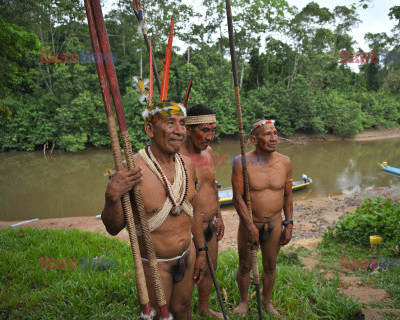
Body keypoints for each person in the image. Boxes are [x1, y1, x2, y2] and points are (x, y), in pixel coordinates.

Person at [101, 101, 207, 320]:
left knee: (183, 308)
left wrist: (201, 251)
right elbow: (113, 228)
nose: (180, 131)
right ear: (150, 129)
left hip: (187, 254)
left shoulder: (188, 164)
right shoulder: (130, 171)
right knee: (157, 316)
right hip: (155, 263)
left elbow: (194, 212)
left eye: (182, 124)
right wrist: (112, 196)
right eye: (171, 123)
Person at [232, 119, 293, 317]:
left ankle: (266, 301)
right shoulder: (241, 162)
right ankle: (243, 301)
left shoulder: (285, 162)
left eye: (275, 134)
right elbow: (237, 197)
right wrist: (250, 226)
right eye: (267, 135)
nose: (274, 138)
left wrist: (288, 223)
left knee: (270, 264)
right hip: (251, 223)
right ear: (253, 139)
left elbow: (288, 195)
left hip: (275, 223)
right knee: (245, 265)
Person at [180, 104, 225, 319]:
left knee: (210, 266)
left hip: (210, 223)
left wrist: (219, 215)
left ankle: (204, 307)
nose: (210, 136)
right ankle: (184, 311)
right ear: (188, 130)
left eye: (213, 130)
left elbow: (212, 185)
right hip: (187, 227)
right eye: (204, 130)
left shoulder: (208, 151)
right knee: (188, 271)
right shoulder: (177, 156)